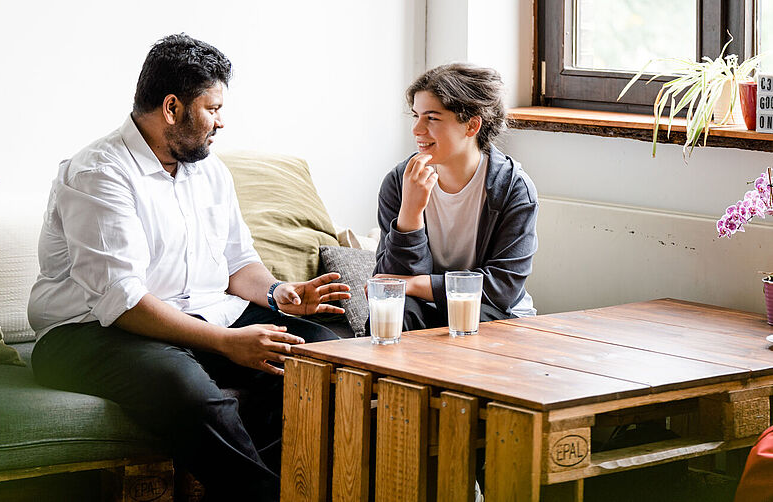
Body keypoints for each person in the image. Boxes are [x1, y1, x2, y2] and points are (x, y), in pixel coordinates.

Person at [27, 34, 349, 502]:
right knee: (193, 393)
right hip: (89, 332)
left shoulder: (208, 170)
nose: (222, 122)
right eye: (212, 108)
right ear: (172, 107)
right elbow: (123, 302)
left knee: (322, 354)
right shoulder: (99, 172)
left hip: (198, 314)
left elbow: (239, 262)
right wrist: (226, 343)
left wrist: (279, 292)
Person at [373, 63, 538, 331]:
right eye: (416, 116)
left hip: (495, 313)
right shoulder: (399, 182)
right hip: (423, 309)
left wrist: (417, 285)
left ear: (472, 125)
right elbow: (391, 285)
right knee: (393, 314)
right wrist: (410, 216)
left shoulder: (513, 189)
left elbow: (502, 289)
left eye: (432, 118)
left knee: (471, 322)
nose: (417, 129)